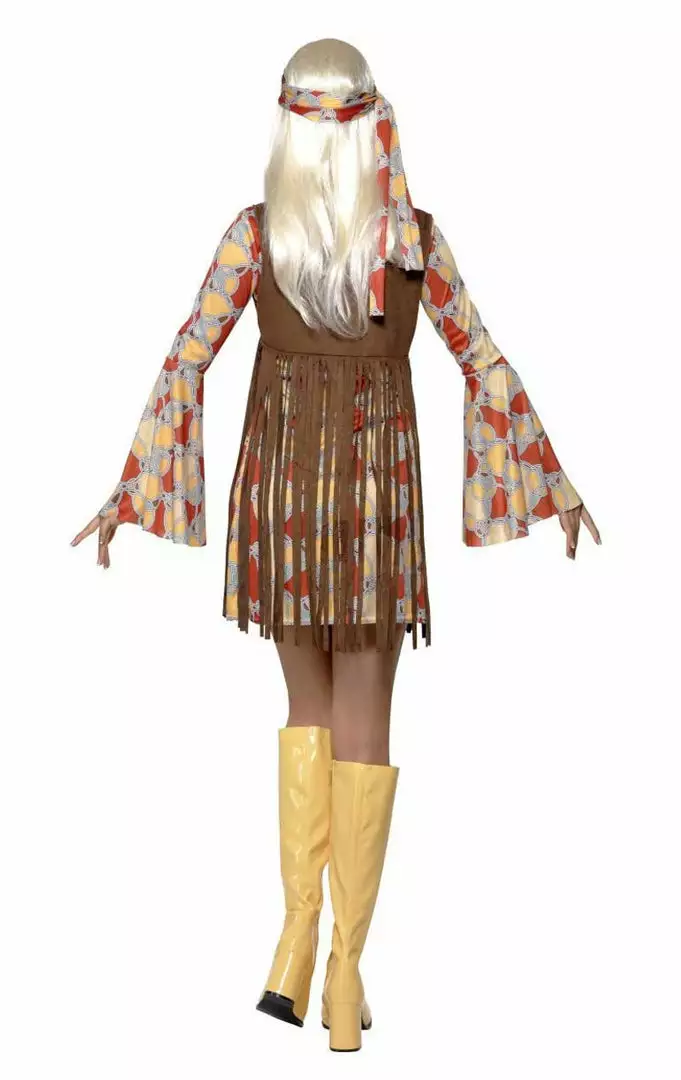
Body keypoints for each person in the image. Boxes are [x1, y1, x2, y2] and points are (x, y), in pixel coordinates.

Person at [71, 38, 601, 1053]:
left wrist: (132, 487)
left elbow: (188, 355)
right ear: (372, 127)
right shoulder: (413, 242)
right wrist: (551, 478)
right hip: (372, 501)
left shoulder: (253, 234)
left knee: (305, 710)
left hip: (280, 498)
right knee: (364, 718)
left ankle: (293, 943)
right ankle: (344, 973)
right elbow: (479, 357)